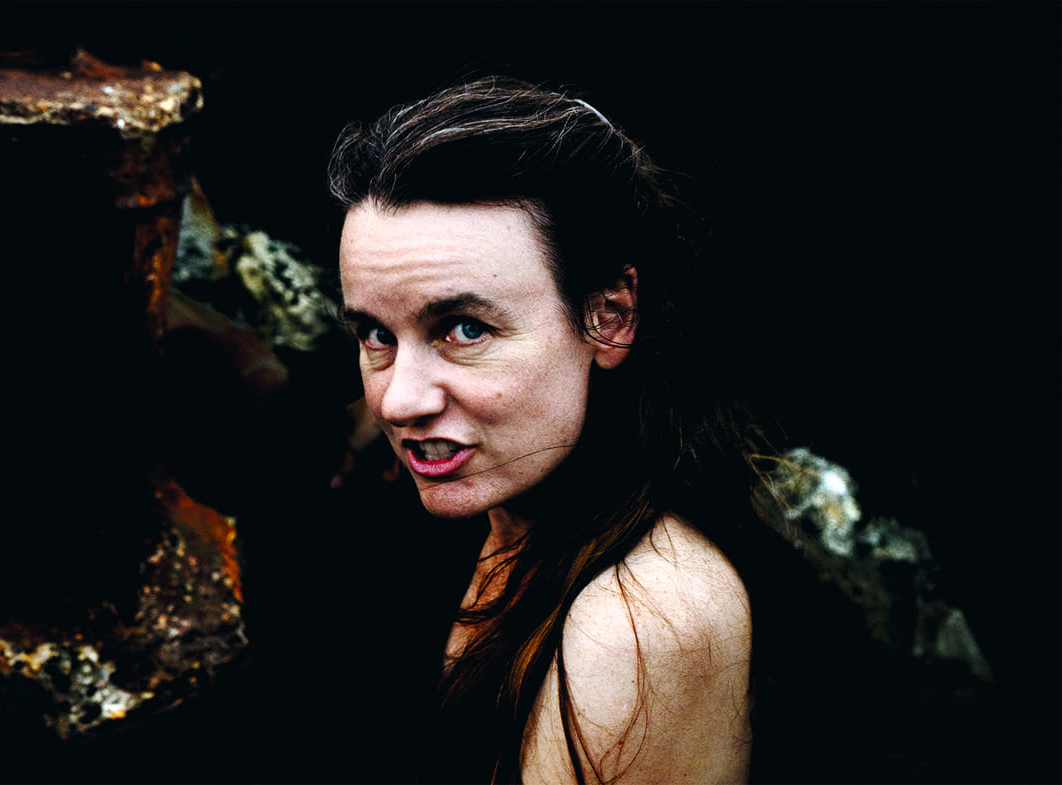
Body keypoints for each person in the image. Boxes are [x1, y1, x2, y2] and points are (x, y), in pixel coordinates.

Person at [324, 77, 891, 785]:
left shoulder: (637, 624)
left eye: (465, 329)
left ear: (610, 317)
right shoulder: (489, 505)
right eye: (376, 334)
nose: (398, 400)